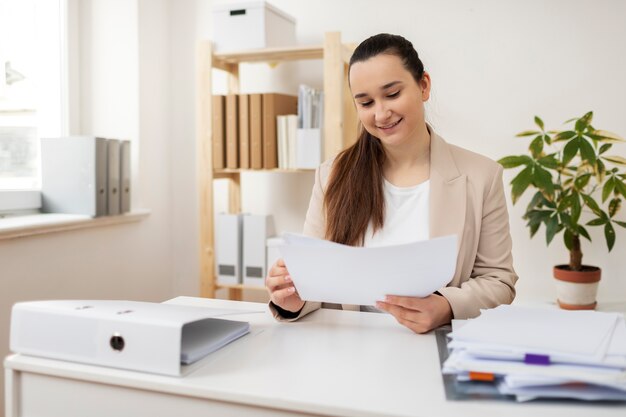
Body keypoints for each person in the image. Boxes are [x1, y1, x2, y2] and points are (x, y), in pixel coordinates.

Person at [265, 33, 518, 333]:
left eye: (392, 94)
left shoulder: (482, 176)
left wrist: (445, 307)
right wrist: (293, 297)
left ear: (423, 85)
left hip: (433, 350)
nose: (381, 113)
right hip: (347, 350)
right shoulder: (332, 174)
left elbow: (499, 282)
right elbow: (314, 281)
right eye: (366, 102)